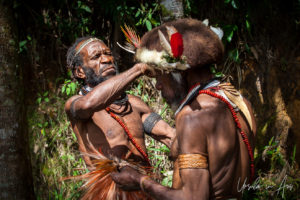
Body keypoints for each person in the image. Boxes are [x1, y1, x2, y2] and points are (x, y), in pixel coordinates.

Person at [111, 18, 256, 200]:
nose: (158, 86)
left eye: (159, 77)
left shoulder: (192, 117)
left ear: (177, 73)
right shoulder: (240, 101)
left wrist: (140, 181)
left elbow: (194, 197)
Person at [64, 36, 175, 169]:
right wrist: (139, 69)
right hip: (110, 187)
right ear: (80, 72)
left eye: (108, 54)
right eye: (96, 57)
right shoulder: (76, 104)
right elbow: (89, 104)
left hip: (144, 185)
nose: (106, 60)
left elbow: (169, 136)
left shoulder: (134, 103)